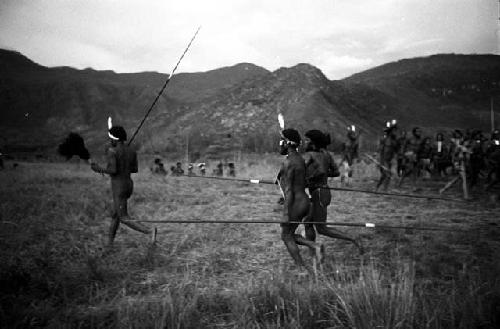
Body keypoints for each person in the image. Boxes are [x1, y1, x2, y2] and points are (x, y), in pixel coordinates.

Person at [90, 120, 155, 247]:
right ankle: (109, 244)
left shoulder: (112, 151)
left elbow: (113, 170)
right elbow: (134, 169)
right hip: (129, 185)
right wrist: (123, 163)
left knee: (123, 217)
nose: (110, 141)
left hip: (118, 186)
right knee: (116, 215)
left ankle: (150, 231)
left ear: (114, 138)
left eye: (110, 138)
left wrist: (98, 169)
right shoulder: (132, 151)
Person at [302, 129, 363, 256]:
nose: (304, 142)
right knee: (308, 223)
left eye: (307, 140)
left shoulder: (312, 155)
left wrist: (308, 179)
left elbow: (320, 172)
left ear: (313, 142)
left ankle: (353, 240)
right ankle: (313, 253)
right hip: (322, 191)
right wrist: (320, 177)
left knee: (322, 228)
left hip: (318, 193)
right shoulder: (326, 154)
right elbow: (335, 172)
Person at [277, 128, 323, 273]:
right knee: (289, 234)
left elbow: (289, 190)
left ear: (287, 143)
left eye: (281, 141)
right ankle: (315, 246)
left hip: (296, 202)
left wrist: (285, 213)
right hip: (304, 200)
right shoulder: (299, 159)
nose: (279, 144)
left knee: (286, 235)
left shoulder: (289, 162)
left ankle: (301, 269)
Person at [376, 121, 398, 191]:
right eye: (394, 131)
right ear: (390, 131)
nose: (395, 132)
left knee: (385, 176)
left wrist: (394, 160)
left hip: (389, 161)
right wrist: (379, 161)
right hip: (383, 160)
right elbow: (379, 150)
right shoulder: (384, 140)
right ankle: (381, 188)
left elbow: (395, 152)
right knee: (386, 175)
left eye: (395, 131)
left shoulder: (394, 141)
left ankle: (382, 188)